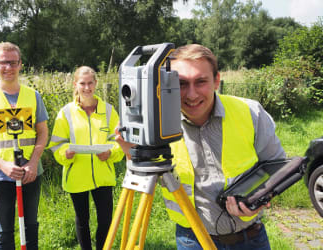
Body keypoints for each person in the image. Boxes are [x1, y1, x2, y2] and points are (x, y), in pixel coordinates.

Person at [116, 44, 285, 250]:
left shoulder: (250, 112)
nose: (191, 94)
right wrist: (132, 152)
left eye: (201, 81)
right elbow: (145, 179)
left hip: (250, 239)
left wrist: (259, 199)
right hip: (192, 240)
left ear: (216, 81)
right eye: (181, 84)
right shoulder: (156, 125)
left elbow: (277, 167)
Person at [0, 42, 49, 250]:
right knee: (4, 231)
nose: (8, 67)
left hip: (31, 172)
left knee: (30, 226)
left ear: (20, 64)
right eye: (3, 62)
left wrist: (33, 162)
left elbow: (43, 133)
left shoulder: (33, 96)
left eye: (13, 62)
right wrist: (2, 164)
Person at [48, 66, 124, 250]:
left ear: (96, 83)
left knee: (105, 220)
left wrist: (111, 153)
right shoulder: (65, 113)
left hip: (103, 175)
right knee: (82, 220)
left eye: (90, 83)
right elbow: (56, 144)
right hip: (76, 176)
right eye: (82, 83)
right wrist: (64, 153)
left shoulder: (108, 110)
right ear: (75, 84)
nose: (87, 88)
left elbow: (120, 141)